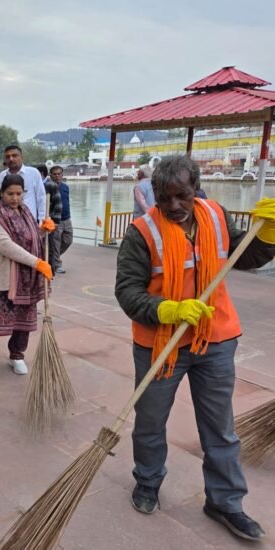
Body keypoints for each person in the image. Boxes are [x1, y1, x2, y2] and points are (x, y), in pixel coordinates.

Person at [115, 156, 275, 541]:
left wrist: (268, 234)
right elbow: (127, 291)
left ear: (196, 190)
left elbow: (245, 257)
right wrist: (167, 309)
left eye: (182, 196)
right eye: (165, 197)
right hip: (161, 343)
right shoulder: (142, 232)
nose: (174, 205)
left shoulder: (215, 216)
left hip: (215, 339)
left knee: (220, 426)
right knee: (150, 421)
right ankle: (148, 481)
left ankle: (225, 501)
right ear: (154, 194)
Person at [0, 174, 52, 375]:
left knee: (22, 320)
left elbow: (30, 238)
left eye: (19, 193)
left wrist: (42, 231)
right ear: (1, 193)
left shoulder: (25, 211)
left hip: (24, 280)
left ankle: (17, 355)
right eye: (10, 194)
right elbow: (5, 245)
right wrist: (36, 262)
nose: (15, 198)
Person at [0, 145, 46, 223]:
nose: (11, 159)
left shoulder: (33, 173)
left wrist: (42, 221)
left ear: (21, 157)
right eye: (8, 157)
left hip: (30, 222)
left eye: (14, 155)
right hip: (8, 222)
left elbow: (41, 198)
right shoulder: (2, 175)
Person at [48, 165, 73, 274]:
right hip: (55, 220)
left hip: (67, 218)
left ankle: (52, 257)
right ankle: (57, 264)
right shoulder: (49, 187)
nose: (57, 176)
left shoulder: (66, 187)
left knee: (68, 240)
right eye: (55, 174)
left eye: (59, 174)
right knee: (55, 243)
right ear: (51, 175)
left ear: (62, 175)